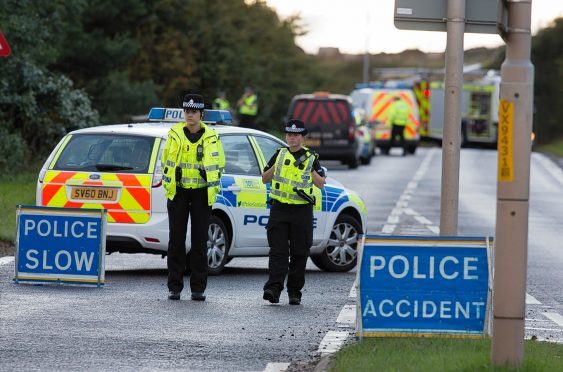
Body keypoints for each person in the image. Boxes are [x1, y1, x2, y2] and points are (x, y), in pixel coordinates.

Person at [161, 93, 225, 301]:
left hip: (201, 192)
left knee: (199, 242)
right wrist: (172, 177)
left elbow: (220, 164)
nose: (190, 115)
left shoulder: (211, 136)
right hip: (178, 192)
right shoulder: (174, 133)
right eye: (187, 111)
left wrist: (209, 175)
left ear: (201, 114)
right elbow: (165, 161)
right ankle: (174, 287)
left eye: (194, 112)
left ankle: (198, 288)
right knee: (176, 240)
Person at [261, 119, 326, 305]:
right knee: (278, 252)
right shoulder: (279, 155)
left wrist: (310, 166)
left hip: (301, 210)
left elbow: (321, 184)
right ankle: (273, 289)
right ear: (286, 136)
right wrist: (278, 166)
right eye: (289, 134)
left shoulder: (311, 157)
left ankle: (294, 292)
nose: (292, 138)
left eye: (296, 135)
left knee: (299, 252)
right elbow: (264, 179)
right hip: (280, 209)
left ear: (303, 138)